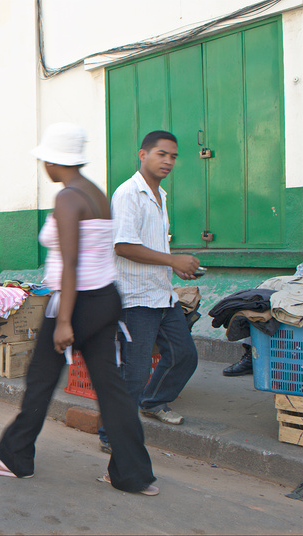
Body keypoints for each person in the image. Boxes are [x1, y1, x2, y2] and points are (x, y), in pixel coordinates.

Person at [0, 123, 158, 496]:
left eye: (45, 159)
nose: (43, 165)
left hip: (77, 304)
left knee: (41, 381)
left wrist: (63, 321)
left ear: (55, 160)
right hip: (105, 299)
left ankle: (14, 458)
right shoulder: (95, 193)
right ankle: (132, 474)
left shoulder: (68, 197)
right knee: (111, 389)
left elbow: (72, 262)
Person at [109, 131, 199, 428]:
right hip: (135, 299)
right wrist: (172, 260)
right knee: (133, 374)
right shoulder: (128, 194)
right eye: (162, 154)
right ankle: (112, 436)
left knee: (183, 355)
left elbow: (151, 245)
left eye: (173, 156)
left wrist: (174, 267)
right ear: (143, 154)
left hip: (162, 294)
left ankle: (152, 401)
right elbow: (123, 246)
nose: (168, 161)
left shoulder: (160, 194)